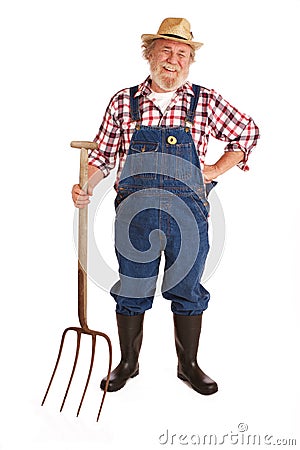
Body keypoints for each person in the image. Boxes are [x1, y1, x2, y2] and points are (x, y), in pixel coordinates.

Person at [72, 18, 259, 395]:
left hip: (188, 217)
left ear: (190, 61)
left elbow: (248, 132)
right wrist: (85, 185)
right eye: (166, 51)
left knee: (187, 288)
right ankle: (128, 363)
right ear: (150, 54)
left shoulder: (204, 100)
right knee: (131, 287)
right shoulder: (123, 101)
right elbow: (104, 155)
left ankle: (188, 366)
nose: (173, 60)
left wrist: (213, 170)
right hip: (133, 219)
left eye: (182, 54)